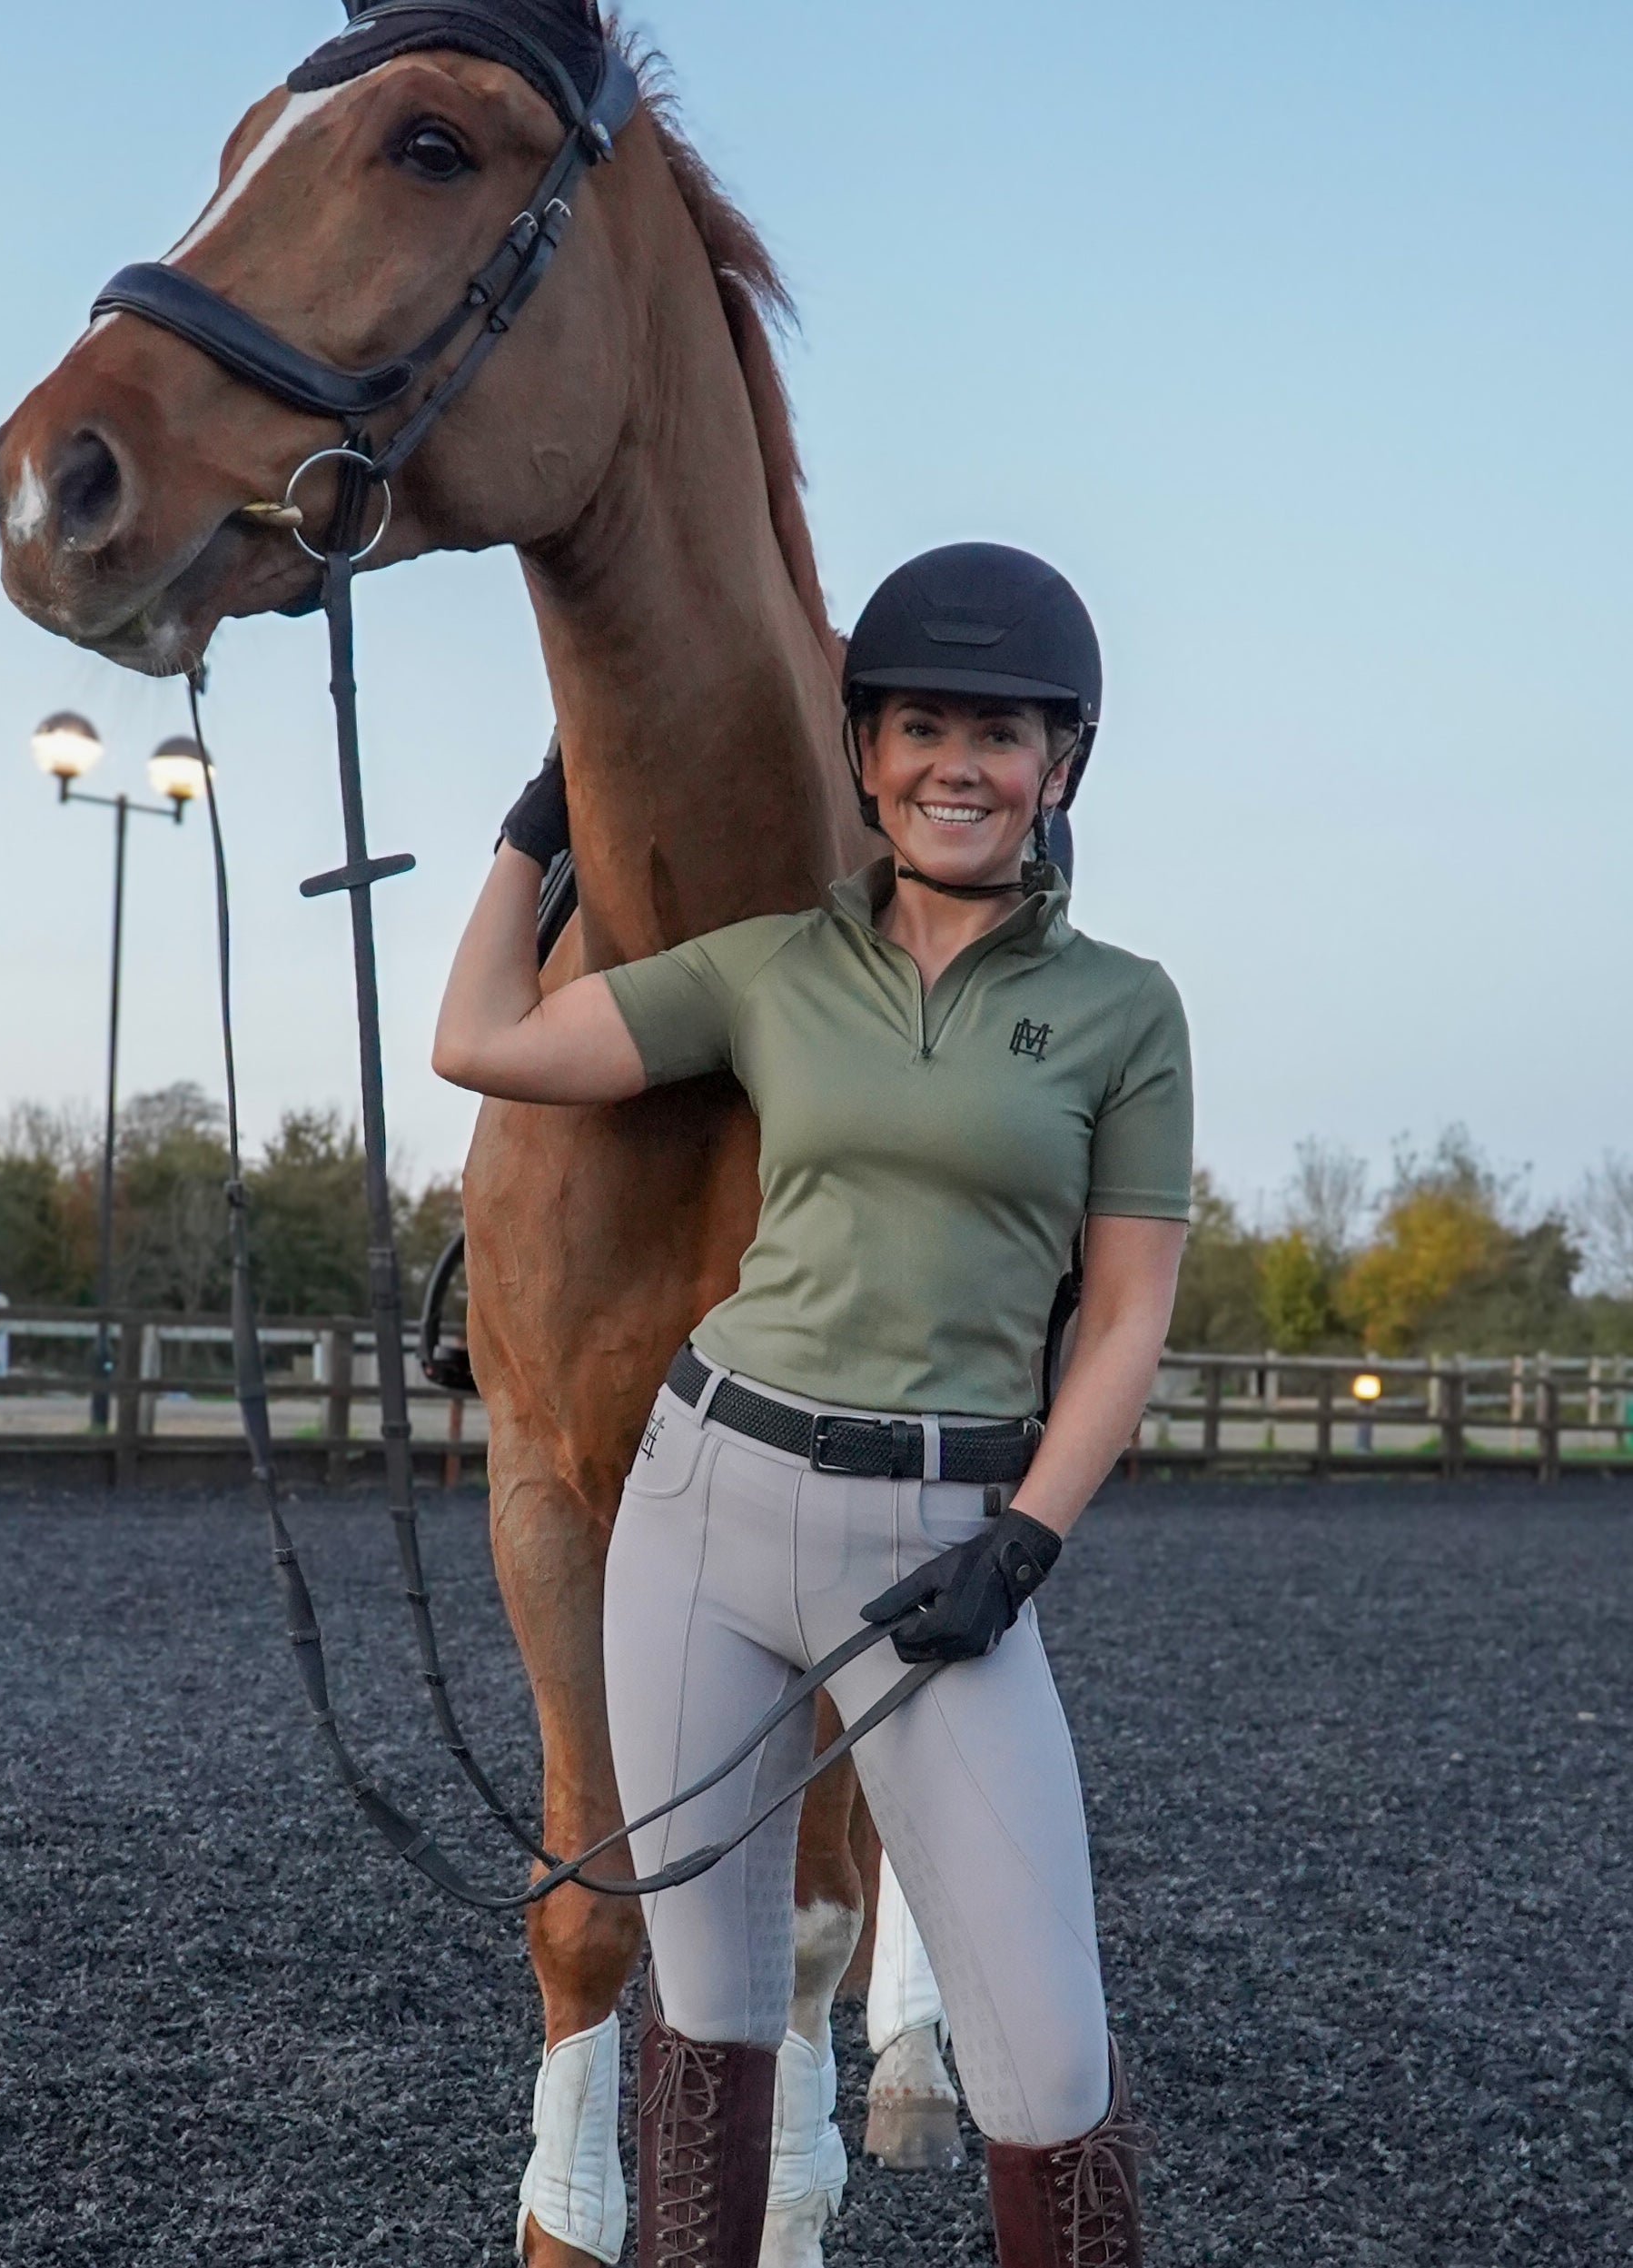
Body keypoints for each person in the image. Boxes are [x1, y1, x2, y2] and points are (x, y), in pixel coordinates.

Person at [433, 542, 1192, 2268]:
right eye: (919, 727)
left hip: (937, 1548)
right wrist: (531, 829)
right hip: (704, 1504)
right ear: (865, 755)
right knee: (707, 2017)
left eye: (998, 736)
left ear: (1057, 767)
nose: (955, 764)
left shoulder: (1122, 1012)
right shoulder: (771, 967)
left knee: (1054, 2057)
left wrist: (1024, 1539)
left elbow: (1128, 1310)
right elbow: (479, 1040)